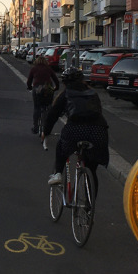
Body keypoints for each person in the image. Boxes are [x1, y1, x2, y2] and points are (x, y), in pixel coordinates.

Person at [40, 67, 109, 197]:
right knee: (91, 169)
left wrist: (46, 132)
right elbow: (98, 111)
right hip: (98, 130)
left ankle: (58, 174)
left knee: (61, 147)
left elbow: (53, 115)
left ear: (65, 83)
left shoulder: (65, 94)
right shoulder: (93, 93)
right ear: (82, 80)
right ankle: (89, 208)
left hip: (75, 129)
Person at [26, 56, 59, 134]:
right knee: (47, 107)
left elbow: (29, 81)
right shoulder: (48, 69)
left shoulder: (34, 69)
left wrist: (30, 87)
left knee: (37, 108)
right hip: (48, 89)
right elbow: (56, 80)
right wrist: (56, 88)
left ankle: (35, 127)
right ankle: (46, 127)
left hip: (37, 89)